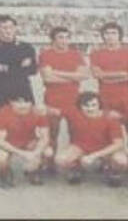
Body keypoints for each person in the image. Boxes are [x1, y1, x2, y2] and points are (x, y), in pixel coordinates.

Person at [51, 92, 128, 186]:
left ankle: (113, 173)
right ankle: (75, 170)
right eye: (86, 106)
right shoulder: (74, 113)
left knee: (121, 160)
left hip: (105, 149)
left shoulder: (110, 117)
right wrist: (41, 109)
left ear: (100, 105)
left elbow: (118, 144)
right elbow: (54, 111)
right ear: (80, 106)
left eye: (94, 105)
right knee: (60, 159)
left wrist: (93, 156)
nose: (90, 108)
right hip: (81, 147)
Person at [38, 26, 90, 161]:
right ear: (53, 39)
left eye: (67, 37)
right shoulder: (46, 54)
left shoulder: (75, 54)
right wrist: (73, 77)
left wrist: (57, 72)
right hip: (53, 99)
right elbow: (48, 78)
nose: (64, 41)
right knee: (52, 134)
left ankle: (74, 162)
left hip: (74, 100)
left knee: (75, 134)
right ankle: (49, 163)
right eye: (60, 37)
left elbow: (84, 76)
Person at [89, 22, 128, 148]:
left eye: (113, 33)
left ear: (120, 35)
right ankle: (109, 159)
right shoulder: (96, 54)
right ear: (103, 36)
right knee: (107, 134)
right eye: (107, 33)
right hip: (106, 99)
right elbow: (97, 74)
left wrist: (108, 78)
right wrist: (122, 73)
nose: (110, 36)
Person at [0, 93, 51, 188]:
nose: (23, 105)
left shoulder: (38, 112)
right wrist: (23, 153)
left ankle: (33, 171)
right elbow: (0, 141)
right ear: (11, 102)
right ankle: (5, 173)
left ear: (31, 103)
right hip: (8, 142)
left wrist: (35, 153)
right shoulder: (1, 113)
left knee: (48, 152)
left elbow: (45, 137)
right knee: (0, 156)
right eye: (18, 102)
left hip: (28, 141)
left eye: (26, 102)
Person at [0, 14, 37, 113]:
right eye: (4, 28)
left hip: (23, 91)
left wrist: (4, 67)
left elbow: (33, 70)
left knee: (27, 122)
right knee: (1, 122)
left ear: (15, 28)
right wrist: (20, 66)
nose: (8, 30)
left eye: (11, 27)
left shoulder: (26, 47)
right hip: (0, 93)